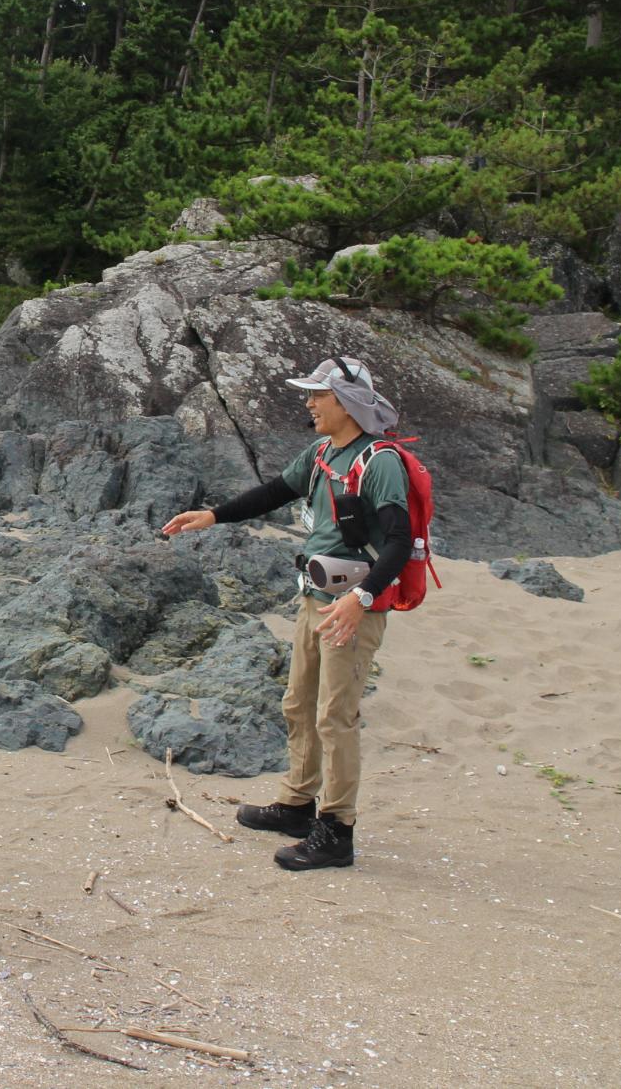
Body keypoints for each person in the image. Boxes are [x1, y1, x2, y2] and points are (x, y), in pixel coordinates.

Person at [163, 356, 410, 871]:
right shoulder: (323, 452)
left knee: (335, 717)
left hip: (352, 607)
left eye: (318, 395)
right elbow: (277, 491)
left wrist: (361, 599)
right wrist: (212, 515)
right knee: (299, 702)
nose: (309, 403)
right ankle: (298, 805)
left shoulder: (378, 461)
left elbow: (400, 541)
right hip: (317, 598)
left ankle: (337, 830)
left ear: (347, 403)